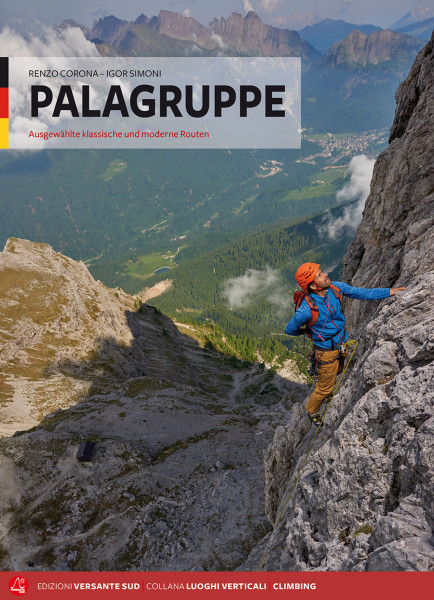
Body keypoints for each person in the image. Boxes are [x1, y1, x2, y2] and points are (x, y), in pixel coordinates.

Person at [285, 262, 406, 427]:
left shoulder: (336, 288)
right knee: (325, 388)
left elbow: (361, 293)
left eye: (322, 272)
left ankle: (327, 382)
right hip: (325, 350)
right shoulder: (306, 310)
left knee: (339, 370)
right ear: (313, 285)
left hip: (342, 341)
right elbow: (289, 330)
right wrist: (308, 332)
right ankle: (312, 410)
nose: (326, 274)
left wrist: (389, 292)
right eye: (320, 275)